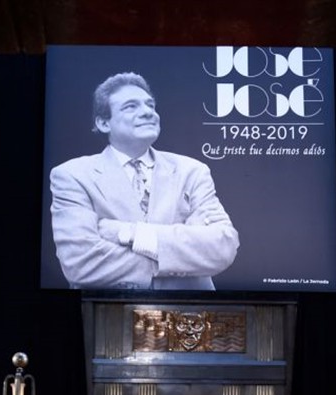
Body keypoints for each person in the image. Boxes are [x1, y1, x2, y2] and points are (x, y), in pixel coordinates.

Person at [49, 72, 240, 290]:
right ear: (103, 123)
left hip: (193, 315)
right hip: (110, 316)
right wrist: (183, 254)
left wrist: (130, 233)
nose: (148, 112)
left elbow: (222, 247)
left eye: (150, 105)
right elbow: (81, 265)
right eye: (131, 106)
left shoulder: (193, 170)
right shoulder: (72, 175)